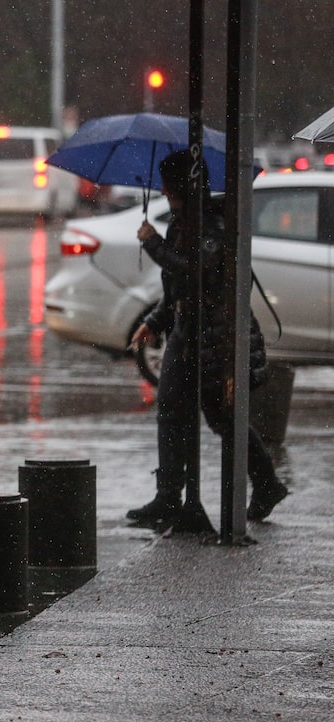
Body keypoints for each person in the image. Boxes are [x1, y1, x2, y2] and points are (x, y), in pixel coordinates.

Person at [126, 149, 288, 530]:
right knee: (171, 410)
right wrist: (155, 321)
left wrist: (152, 244)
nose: (164, 193)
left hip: (217, 335)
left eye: (168, 185)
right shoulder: (181, 222)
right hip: (185, 332)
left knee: (223, 416)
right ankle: (168, 497)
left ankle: (266, 483)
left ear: (181, 185)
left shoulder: (210, 223)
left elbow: (199, 272)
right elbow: (179, 288)